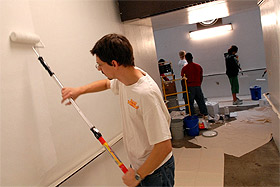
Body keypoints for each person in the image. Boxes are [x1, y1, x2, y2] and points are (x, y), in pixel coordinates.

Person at [61, 34, 174, 187]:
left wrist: (138, 176)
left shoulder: (146, 94)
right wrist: (79, 90)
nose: (99, 69)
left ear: (114, 64)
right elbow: (106, 84)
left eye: (100, 65)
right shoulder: (125, 78)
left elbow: (164, 146)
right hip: (139, 166)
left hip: (156, 171)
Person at [181, 52, 208, 116]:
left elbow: (183, 79)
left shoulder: (185, 68)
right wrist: (199, 84)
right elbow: (201, 76)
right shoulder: (198, 66)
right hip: (198, 86)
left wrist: (184, 89)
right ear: (192, 58)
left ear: (186, 59)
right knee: (201, 101)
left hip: (190, 87)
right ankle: (204, 114)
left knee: (189, 103)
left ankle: (191, 115)